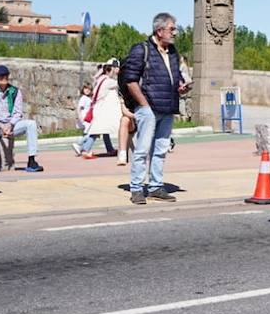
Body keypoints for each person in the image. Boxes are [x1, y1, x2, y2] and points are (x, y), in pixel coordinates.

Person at [121, 13, 190, 205]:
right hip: (149, 108)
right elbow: (130, 80)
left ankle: (155, 187)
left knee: (161, 150)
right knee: (142, 150)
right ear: (159, 31)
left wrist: (181, 88)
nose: (175, 32)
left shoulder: (173, 52)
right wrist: (143, 104)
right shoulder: (141, 50)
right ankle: (136, 188)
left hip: (167, 107)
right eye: (171, 28)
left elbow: (172, 79)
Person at [0, 64, 43, 175]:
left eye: (6, 75)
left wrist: (10, 125)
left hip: (9, 125)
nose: (4, 78)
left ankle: (32, 160)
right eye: (1, 76)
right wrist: (1, 126)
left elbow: (18, 112)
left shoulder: (15, 91)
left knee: (31, 124)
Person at [76, 60, 122, 159]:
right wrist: (120, 74)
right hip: (100, 109)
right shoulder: (108, 81)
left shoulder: (101, 79)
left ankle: (109, 149)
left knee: (104, 130)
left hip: (98, 108)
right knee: (96, 131)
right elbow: (120, 83)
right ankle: (85, 149)